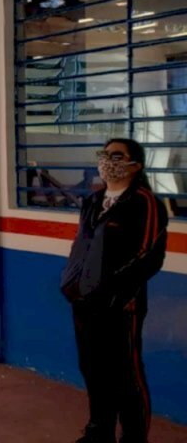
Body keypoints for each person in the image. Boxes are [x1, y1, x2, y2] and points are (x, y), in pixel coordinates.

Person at [61, 138, 168, 443]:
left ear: (136, 165)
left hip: (122, 305)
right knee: (93, 369)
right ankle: (99, 430)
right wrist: (72, 285)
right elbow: (81, 246)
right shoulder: (93, 201)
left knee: (126, 374)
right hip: (84, 302)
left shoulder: (144, 203)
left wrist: (113, 293)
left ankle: (134, 437)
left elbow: (149, 257)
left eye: (117, 156)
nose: (108, 161)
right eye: (105, 155)